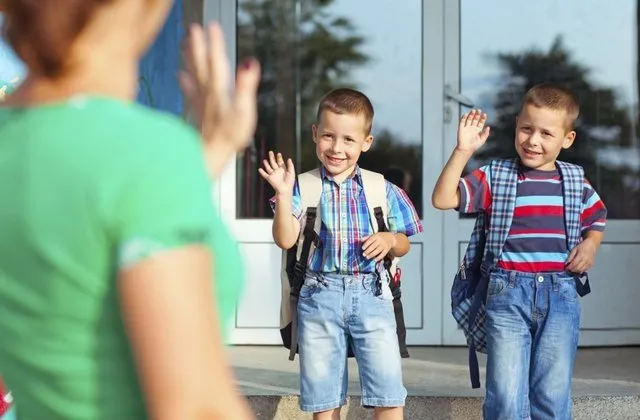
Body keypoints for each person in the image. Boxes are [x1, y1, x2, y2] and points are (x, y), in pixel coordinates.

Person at [0, 0, 260, 418]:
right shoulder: (146, 157)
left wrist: (208, 155)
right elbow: (196, 409)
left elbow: (78, 221)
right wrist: (170, 166)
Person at [432, 83, 607, 419]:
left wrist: (591, 244)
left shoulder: (574, 180)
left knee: (552, 395)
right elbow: (442, 199)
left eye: (546, 133)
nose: (533, 140)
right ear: (516, 125)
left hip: (561, 295)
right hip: (507, 294)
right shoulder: (496, 176)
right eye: (527, 128)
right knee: (507, 396)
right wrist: (462, 151)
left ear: (566, 139)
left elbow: (597, 218)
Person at [260, 88, 423, 420]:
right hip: (319, 297)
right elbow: (285, 238)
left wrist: (390, 239)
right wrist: (282, 191)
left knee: (389, 396)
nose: (337, 148)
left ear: (366, 142)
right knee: (325, 403)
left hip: (373, 295)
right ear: (315, 134)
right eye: (329, 136)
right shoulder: (302, 187)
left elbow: (405, 241)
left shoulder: (382, 188)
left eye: (349, 140)